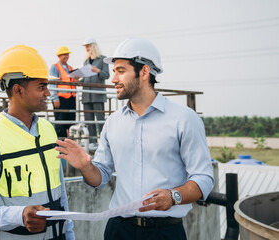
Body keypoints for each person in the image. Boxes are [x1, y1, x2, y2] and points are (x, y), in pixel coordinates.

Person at [55, 38, 214, 240]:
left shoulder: (184, 119)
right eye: (114, 72)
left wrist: (173, 196)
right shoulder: (113, 122)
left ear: (144, 72)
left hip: (165, 232)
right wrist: (85, 166)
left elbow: (204, 178)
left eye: (120, 71)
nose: (113, 79)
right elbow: (100, 176)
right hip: (119, 229)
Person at [0, 45, 74, 240]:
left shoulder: (49, 130)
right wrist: (19, 216)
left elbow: (60, 196)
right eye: (41, 86)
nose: (48, 93)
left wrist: (69, 235)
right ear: (18, 90)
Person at [80, 37, 110, 151]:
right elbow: (85, 79)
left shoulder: (103, 59)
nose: (87, 49)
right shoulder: (86, 61)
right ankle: (92, 142)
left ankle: (103, 142)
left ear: (93, 46)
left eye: (88, 46)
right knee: (89, 120)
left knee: (100, 119)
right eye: (85, 47)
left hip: (97, 94)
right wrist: (79, 80)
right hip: (87, 94)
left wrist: (98, 71)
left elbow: (106, 75)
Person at [49, 46, 78, 138]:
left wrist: (77, 79)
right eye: (64, 54)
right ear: (59, 56)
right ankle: (60, 144)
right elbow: (52, 83)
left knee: (71, 122)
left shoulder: (70, 68)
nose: (66, 56)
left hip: (71, 98)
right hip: (60, 99)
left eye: (67, 54)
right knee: (60, 123)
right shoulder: (55, 67)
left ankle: (70, 143)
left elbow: (73, 83)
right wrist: (54, 98)